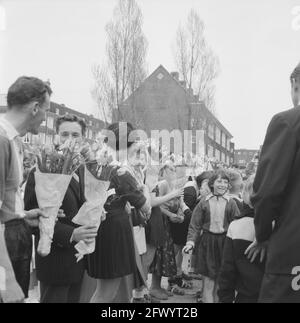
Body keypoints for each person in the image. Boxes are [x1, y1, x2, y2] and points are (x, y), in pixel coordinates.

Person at [24, 114, 97, 303]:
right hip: (55, 261)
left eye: (75, 135)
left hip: (79, 260)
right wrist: (71, 234)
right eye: (65, 134)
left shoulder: (81, 169)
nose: (70, 140)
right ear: (56, 136)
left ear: (83, 138)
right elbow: (33, 220)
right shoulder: (40, 171)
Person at [250, 62, 300, 303]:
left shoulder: (287, 123)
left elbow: (267, 192)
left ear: (295, 84)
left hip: (292, 255)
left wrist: (262, 234)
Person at [86, 122, 151, 303]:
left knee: (101, 290)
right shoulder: (121, 171)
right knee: (106, 293)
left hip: (101, 231)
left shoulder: (96, 165)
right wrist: (144, 187)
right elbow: (146, 207)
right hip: (114, 234)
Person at [0, 76, 50, 302]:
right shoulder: (1, 141)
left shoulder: (13, 141)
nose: (45, 117)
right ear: (35, 107)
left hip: (15, 236)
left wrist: (21, 216)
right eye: (46, 110)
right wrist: (7, 282)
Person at [183, 170, 240, 303]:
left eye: (225, 182)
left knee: (220, 283)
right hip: (207, 244)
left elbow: (236, 224)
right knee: (208, 282)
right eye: (219, 181)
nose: (222, 185)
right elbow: (195, 224)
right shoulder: (203, 202)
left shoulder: (231, 203)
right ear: (212, 184)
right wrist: (190, 242)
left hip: (225, 244)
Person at [218, 175, 265, 303]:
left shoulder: (236, 226)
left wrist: (225, 298)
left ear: (245, 196)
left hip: (246, 296)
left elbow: (228, 269)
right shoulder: (282, 227)